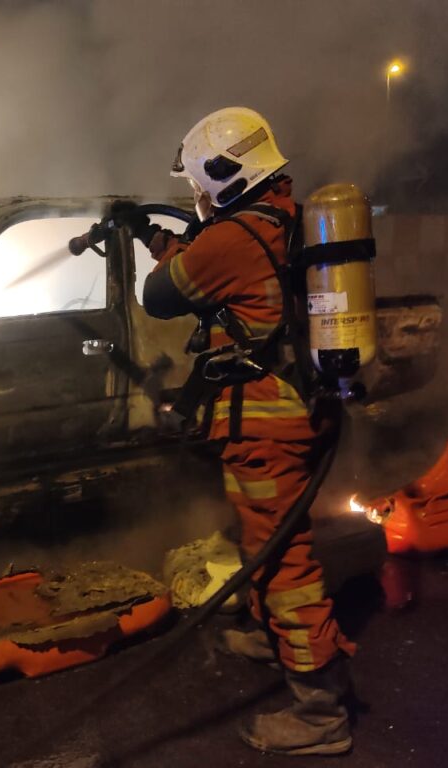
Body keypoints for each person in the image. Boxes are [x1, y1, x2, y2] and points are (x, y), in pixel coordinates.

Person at [135, 107, 356, 756]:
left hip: (265, 423)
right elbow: (212, 275)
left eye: (202, 185)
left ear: (226, 175)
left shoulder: (231, 238)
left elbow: (163, 294)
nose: (197, 199)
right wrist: (168, 238)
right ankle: (272, 638)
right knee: (261, 539)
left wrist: (158, 245)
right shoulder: (283, 219)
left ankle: (320, 715)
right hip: (290, 413)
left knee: (285, 563)